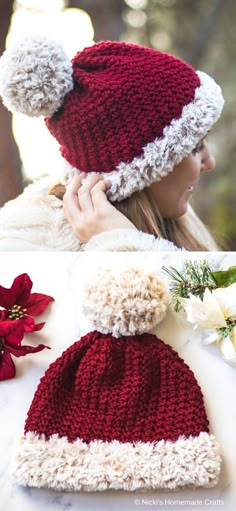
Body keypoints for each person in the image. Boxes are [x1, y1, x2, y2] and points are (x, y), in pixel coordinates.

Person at [0, 36, 224, 251]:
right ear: (137, 171)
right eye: (194, 148)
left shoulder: (179, 221)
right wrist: (123, 247)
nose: (210, 162)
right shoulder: (29, 247)